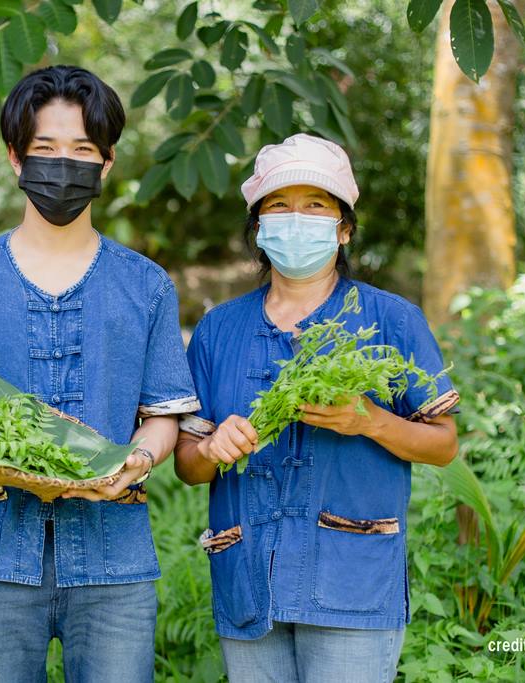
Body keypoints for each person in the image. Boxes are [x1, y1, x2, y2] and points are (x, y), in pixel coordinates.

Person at [0, 65, 199, 683]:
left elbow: (164, 414)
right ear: (16, 159)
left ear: (107, 164)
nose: (63, 164)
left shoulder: (145, 286)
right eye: (45, 149)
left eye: (82, 150)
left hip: (113, 564)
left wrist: (132, 465)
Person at [174, 134, 460, 683]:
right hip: (248, 581)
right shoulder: (218, 329)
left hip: (351, 582)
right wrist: (212, 448)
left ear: (343, 227)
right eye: (278, 205)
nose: (295, 217)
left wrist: (370, 421)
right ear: (258, 227)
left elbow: (444, 444)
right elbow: (188, 465)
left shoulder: (390, 320)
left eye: (315, 205)